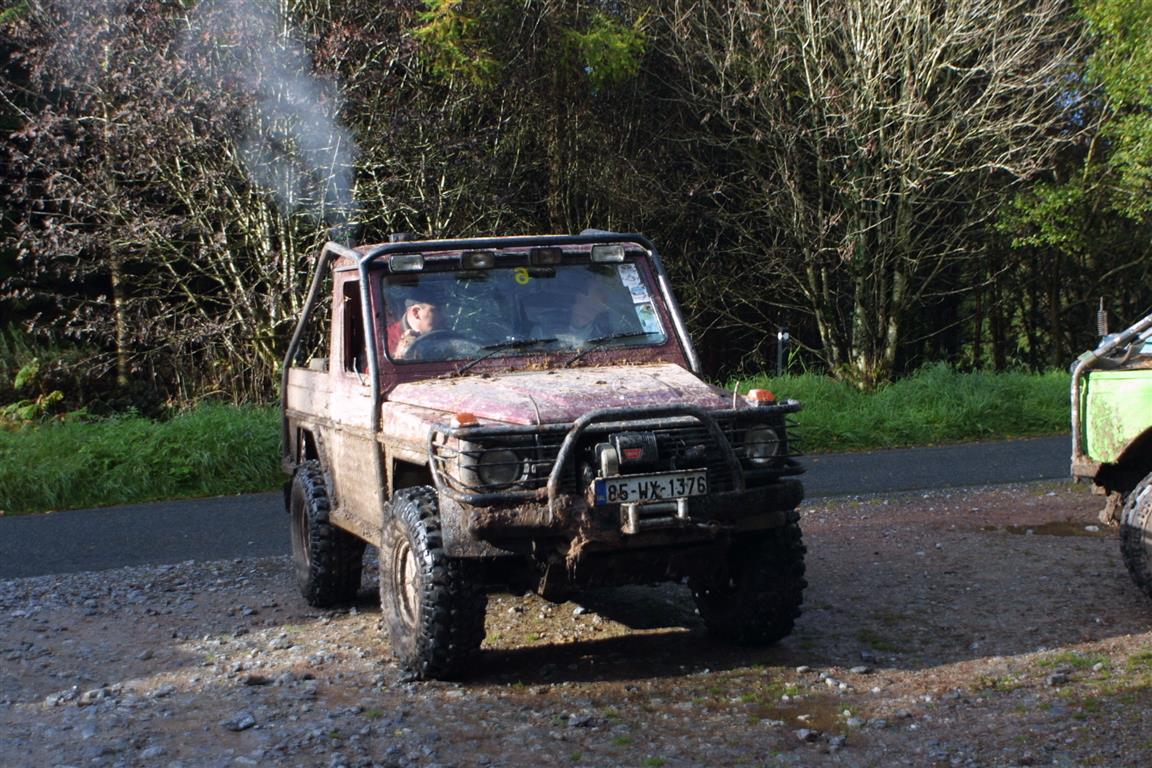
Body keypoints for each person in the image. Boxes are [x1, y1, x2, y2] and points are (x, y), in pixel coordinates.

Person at [387, 289, 443, 359]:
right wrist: (399, 357)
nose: (442, 317)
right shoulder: (384, 341)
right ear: (416, 312)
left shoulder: (443, 336)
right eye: (435, 311)